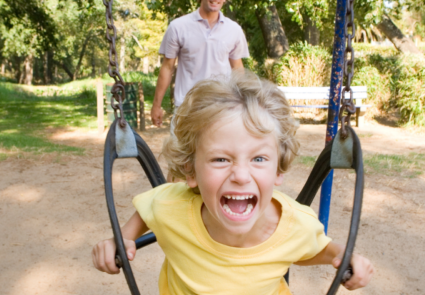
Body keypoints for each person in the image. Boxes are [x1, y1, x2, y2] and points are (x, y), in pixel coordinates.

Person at [92, 72, 374, 295]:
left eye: (259, 159)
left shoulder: (295, 224)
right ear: (190, 171)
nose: (240, 175)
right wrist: (121, 240)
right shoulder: (172, 205)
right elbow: (149, 209)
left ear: (279, 167)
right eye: (220, 160)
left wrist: (344, 257)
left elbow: (314, 248)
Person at [151, 0, 249, 128]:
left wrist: (246, 103)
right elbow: (167, 67)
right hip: (187, 107)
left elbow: (238, 68)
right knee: (180, 152)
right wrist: (156, 105)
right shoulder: (179, 26)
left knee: (218, 152)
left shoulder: (234, 30)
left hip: (222, 107)